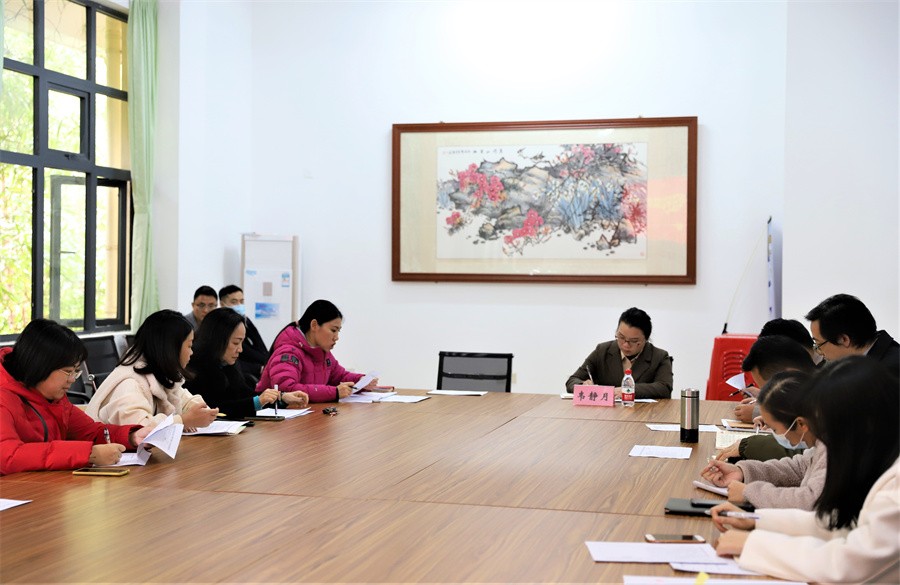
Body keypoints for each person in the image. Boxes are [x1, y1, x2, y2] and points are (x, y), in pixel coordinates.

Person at [710, 357, 899, 583]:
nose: (823, 438)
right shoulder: (879, 452)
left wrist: (753, 544)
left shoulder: (894, 486)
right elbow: (839, 524)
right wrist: (756, 520)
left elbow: (849, 564)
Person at [0, 320, 151, 474]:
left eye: (76, 371)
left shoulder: (54, 397)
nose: (72, 379)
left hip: (44, 484)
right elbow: (7, 456)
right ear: (40, 365)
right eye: (68, 371)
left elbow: (91, 433)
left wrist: (132, 437)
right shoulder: (4, 397)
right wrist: (88, 454)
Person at [701, 370, 826, 510]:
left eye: (774, 429)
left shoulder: (835, 448)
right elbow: (799, 469)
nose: (773, 434)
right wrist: (743, 472)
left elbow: (810, 501)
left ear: (801, 424)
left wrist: (749, 493)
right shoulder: (821, 441)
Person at [86, 310, 219, 431]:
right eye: (189, 346)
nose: (191, 352)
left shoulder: (159, 373)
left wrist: (200, 410)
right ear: (171, 348)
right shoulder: (130, 384)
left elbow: (182, 398)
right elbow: (138, 431)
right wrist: (183, 421)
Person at [185, 308, 308, 419]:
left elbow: (245, 396)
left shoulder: (227, 364)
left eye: (242, 342)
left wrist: (281, 398)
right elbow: (215, 408)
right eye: (235, 343)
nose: (240, 349)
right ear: (217, 340)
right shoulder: (194, 368)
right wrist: (257, 402)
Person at [256, 299, 379, 403]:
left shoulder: (322, 351)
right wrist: (335, 392)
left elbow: (339, 376)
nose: (336, 337)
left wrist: (362, 380)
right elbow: (287, 389)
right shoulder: (288, 352)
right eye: (333, 330)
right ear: (314, 325)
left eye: (338, 331)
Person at [718, 335, 816, 462]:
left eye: (767, 390)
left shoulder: (829, 408)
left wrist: (749, 446)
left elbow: (803, 454)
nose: (766, 397)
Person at [565, 307, 673, 399]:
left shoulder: (659, 357)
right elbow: (572, 380)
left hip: (642, 413)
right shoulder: (602, 350)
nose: (625, 345)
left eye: (633, 341)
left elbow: (665, 388)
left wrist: (628, 390)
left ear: (646, 339)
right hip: (606, 414)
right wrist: (582, 385)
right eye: (621, 337)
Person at [805, 293, 899, 378]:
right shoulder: (865, 365)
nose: (820, 353)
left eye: (819, 345)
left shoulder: (889, 372)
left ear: (843, 339)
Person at [218, 284, 270, 379]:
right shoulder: (221, 326)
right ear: (222, 304)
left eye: (241, 301)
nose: (239, 305)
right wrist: (259, 368)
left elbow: (260, 345)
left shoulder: (246, 321)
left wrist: (268, 362)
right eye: (234, 302)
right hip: (240, 374)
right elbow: (232, 359)